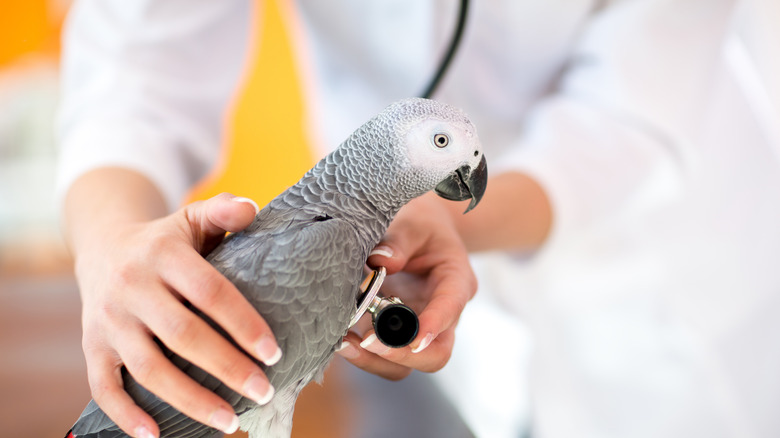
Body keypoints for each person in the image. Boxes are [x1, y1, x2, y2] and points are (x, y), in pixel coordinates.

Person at [57, 1, 780, 437]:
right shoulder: (316, 245)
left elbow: (630, 114)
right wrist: (110, 243)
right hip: (406, 297)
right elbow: (135, 65)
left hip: (669, 274)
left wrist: (451, 221)